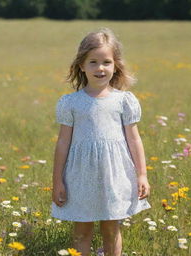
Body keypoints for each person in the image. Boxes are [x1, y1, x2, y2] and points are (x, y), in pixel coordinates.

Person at [51, 28, 151, 256]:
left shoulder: (124, 101)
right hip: (79, 177)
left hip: (114, 175)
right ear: (81, 65)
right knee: (82, 230)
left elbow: (134, 139)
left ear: (116, 65)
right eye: (93, 62)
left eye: (106, 62)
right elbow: (62, 143)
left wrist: (142, 174)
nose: (100, 68)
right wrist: (58, 180)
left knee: (111, 229)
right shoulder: (71, 103)